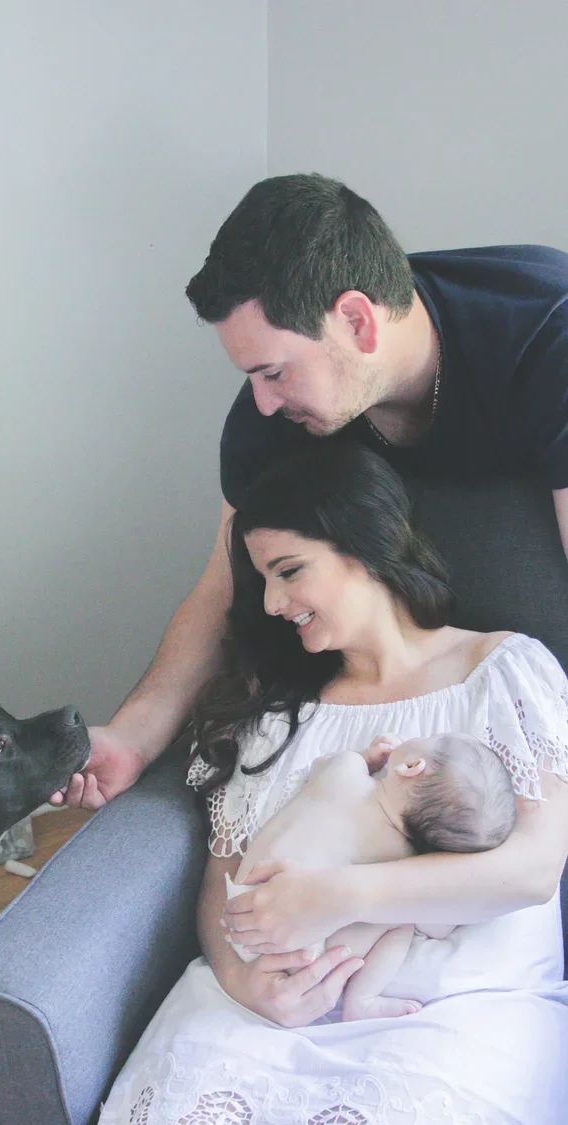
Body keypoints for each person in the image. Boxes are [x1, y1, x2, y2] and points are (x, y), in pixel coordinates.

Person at [50, 172, 568, 812]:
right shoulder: (267, 422)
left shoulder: (547, 331)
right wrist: (131, 737)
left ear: (356, 320)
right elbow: (223, 588)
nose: (264, 402)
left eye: (274, 371)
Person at [97, 441, 568, 1125]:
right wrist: (242, 980)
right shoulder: (273, 715)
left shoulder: (503, 673)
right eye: (262, 580)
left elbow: (534, 870)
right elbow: (221, 882)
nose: (272, 602)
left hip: (452, 1013)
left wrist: (334, 896)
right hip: (264, 1020)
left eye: (289, 571)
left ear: (366, 545)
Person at [224, 730, 517, 1022]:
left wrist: (367, 758)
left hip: (240, 907)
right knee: (402, 921)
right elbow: (438, 928)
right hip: (296, 957)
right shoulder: (400, 856)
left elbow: (317, 767)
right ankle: (362, 999)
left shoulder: (346, 767)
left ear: (411, 765)